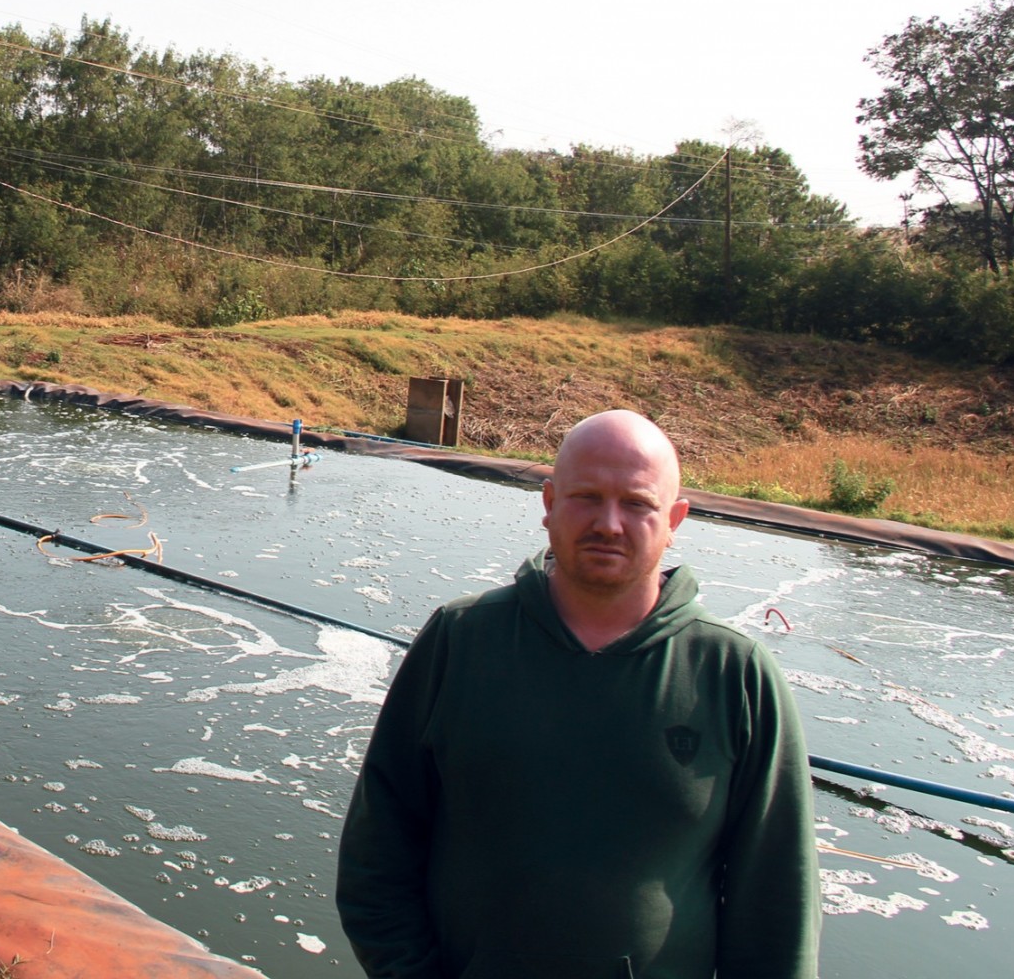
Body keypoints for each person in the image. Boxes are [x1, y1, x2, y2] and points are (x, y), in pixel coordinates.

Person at [336, 409, 819, 978]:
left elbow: (777, 908)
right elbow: (377, 859)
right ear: (548, 504)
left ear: (675, 520)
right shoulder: (460, 640)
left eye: (637, 503)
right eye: (586, 496)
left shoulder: (734, 673)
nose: (609, 524)